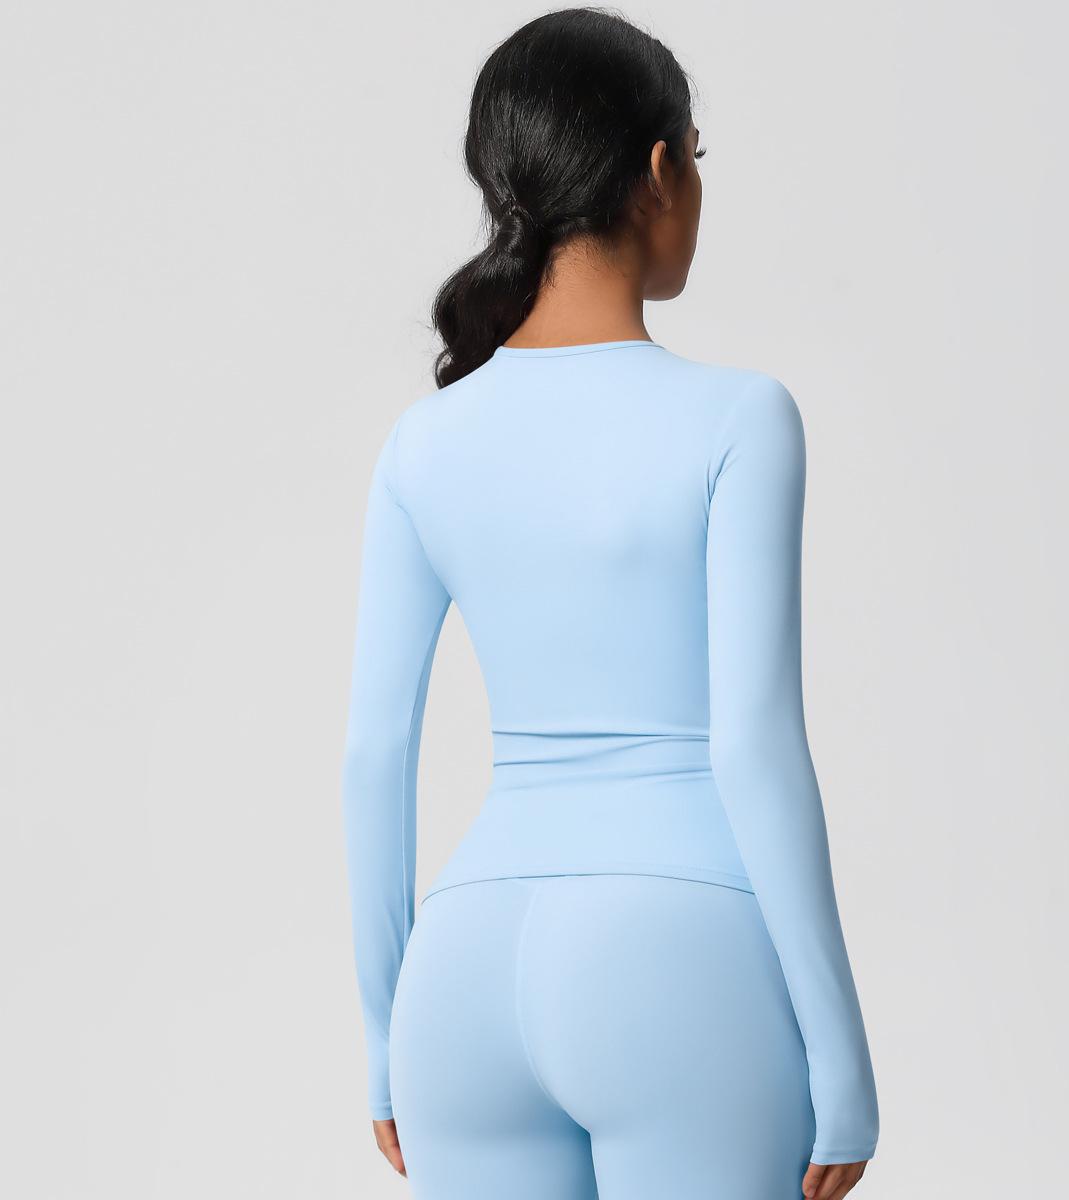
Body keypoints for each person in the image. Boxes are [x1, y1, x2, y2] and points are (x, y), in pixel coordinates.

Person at [341, 9, 879, 1199]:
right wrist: (840, 1052)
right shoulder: (740, 419)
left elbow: (374, 754)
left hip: (462, 979)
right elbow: (753, 747)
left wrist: (384, 1044)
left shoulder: (422, 444)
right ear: (659, 170)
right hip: (680, 957)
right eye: (699, 157)